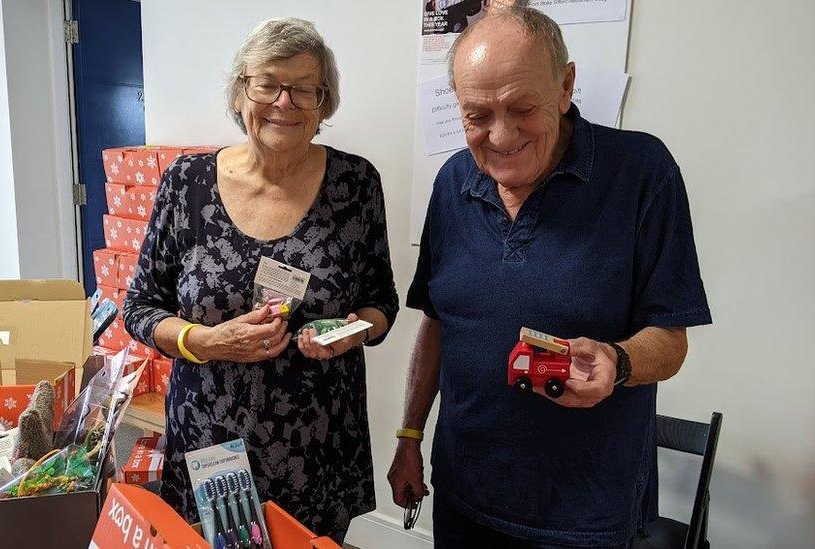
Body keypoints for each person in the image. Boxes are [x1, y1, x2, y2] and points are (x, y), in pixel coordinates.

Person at [388, 5, 712, 548]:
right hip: (464, 492)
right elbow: (440, 325)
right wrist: (409, 435)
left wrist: (619, 361)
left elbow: (671, 341)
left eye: (522, 108)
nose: (501, 134)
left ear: (565, 86)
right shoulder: (452, 182)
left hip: (583, 512)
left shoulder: (642, 172)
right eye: (477, 115)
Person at [124, 17, 399, 543]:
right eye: (268, 83)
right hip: (210, 443)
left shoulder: (356, 184)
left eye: (304, 89)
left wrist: (351, 332)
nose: (284, 102)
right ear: (240, 91)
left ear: (324, 103)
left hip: (317, 445)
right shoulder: (187, 183)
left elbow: (380, 302)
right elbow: (139, 306)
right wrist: (203, 341)